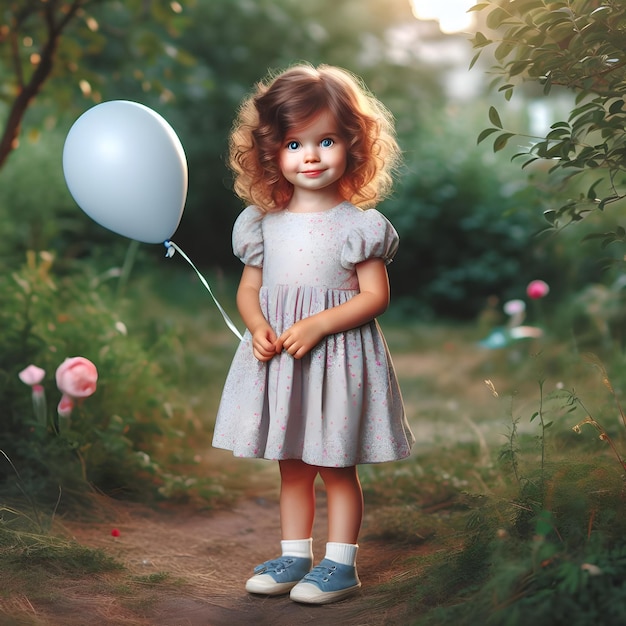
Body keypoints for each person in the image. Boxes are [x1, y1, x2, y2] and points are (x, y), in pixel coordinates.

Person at [213, 63, 414, 605]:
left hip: (336, 357)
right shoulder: (263, 223)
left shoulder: (359, 226)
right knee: (294, 466)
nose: (311, 155)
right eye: (295, 142)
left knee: (335, 465)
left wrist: (320, 322)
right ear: (271, 152)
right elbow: (249, 290)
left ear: (353, 145)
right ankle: (295, 555)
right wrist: (257, 326)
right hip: (283, 358)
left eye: (326, 140)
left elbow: (375, 297)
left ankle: (340, 564)